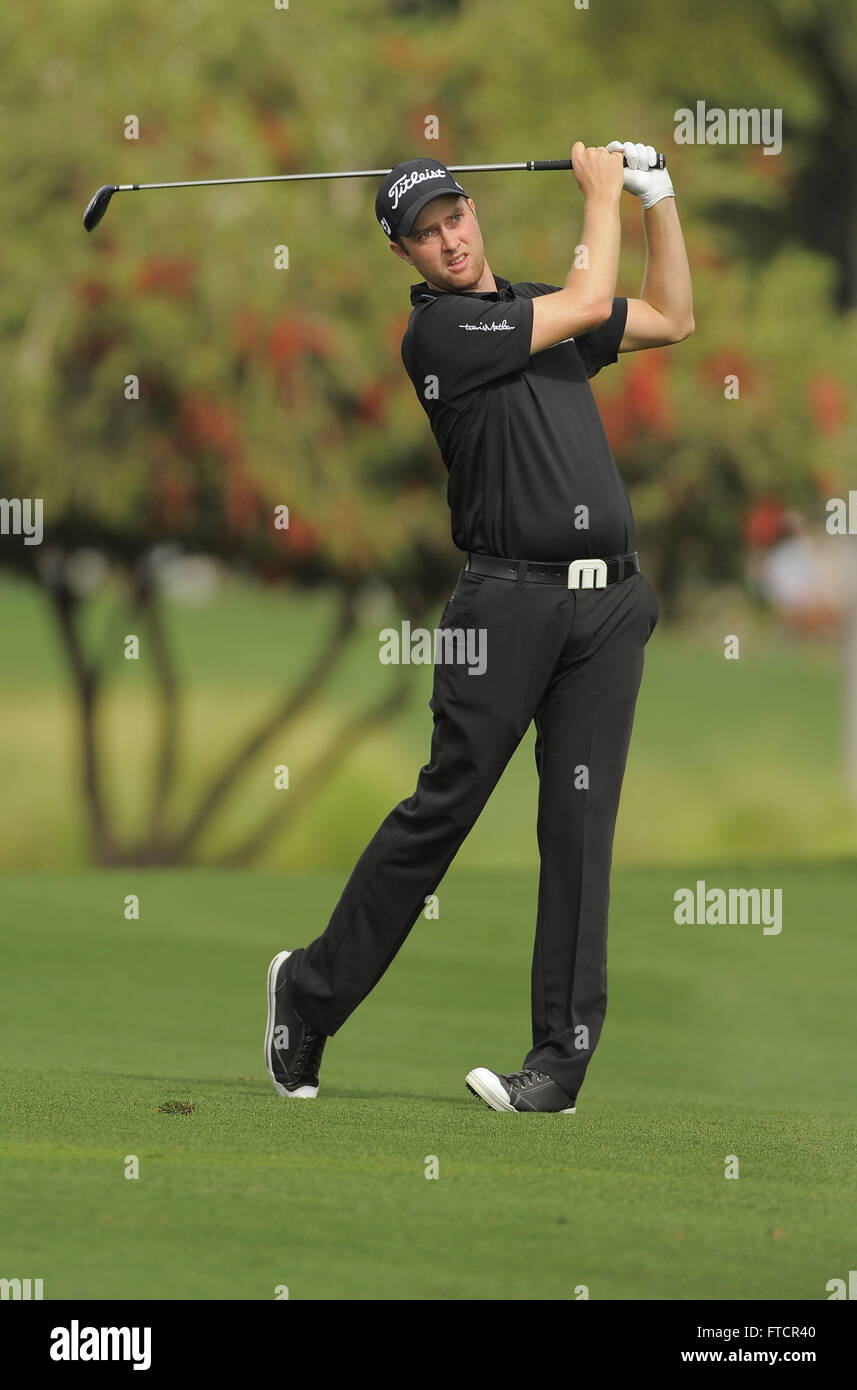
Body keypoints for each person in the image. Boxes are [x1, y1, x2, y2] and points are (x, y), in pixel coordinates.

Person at [265, 140, 694, 1113]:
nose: (447, 239)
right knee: (443, 809)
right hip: (504, 607)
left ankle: (556, 1066)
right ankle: (309, 991)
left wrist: (655, 197)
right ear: (405, 256)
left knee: (578, 832)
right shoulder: (442, 337)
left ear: (472, 212)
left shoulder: (535, 305)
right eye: (423, 234)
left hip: (607, 606)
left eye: (453, 216)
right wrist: (600, 195)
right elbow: (587, 304)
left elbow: (672, 316)